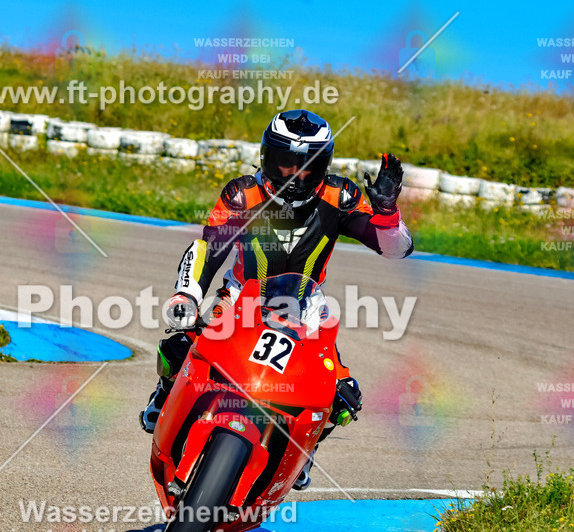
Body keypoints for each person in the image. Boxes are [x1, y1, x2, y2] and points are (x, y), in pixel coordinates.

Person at [139, 109, 414, 490]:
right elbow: (209, 249)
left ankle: (303, 453)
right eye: (284, 162)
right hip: (240, 298)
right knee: (180, 343)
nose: (291, 175)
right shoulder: (242, 193)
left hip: (304, 309)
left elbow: (396, 250)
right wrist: (186, 295)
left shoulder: (340, 195)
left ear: (323, 167)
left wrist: (386, 212)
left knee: (342, 396)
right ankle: (165, 393)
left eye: (304, 167)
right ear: (267, 155)